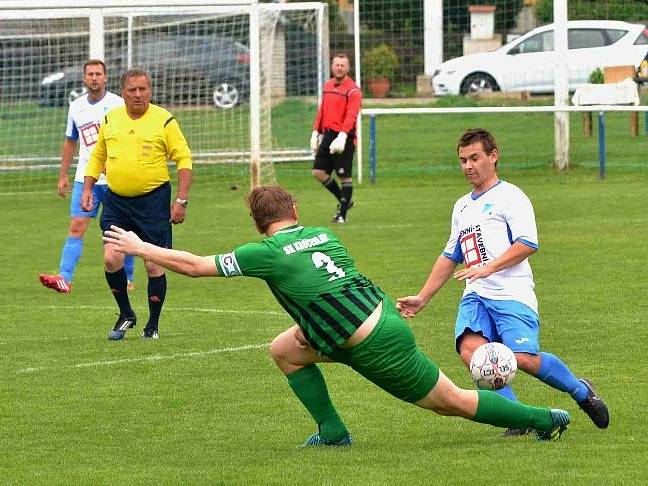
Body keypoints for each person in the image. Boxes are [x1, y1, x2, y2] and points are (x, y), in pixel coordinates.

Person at [103, 185, 571, 446]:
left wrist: (140, 246)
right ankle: (332, 431)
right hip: (373, 316)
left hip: (374, 342)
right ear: (295, 210)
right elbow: (324, 287)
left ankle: (543, 418)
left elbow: (195, 266)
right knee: (284, 350)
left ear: (258, 223)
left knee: (451, 402)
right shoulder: (323, 235)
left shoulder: (265, 251)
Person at [397, 128, 609, 436]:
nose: (468, 166)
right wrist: (424, 296)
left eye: (475, 158)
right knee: (473, 354)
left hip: (512, 293)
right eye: (462, 160)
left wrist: (488, 268)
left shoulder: (511, 196)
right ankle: (518, 419)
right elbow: (450, 255)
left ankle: (580, 391)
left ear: (493, 156)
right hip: (476, 295)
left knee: (521, 358)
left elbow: (527, 243)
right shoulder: (461, 206)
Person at [82, 68, 192, 341]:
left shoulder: (164, 120)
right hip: (116, 202)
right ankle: (126, 314)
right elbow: (98, 156)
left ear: (150, 91)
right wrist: (87, 187)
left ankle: (152, 326)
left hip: (153, 203)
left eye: (143, 89)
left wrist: (181, 200)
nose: (138, 94)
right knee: (110, 258)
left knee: (154, 263)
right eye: (132, 90)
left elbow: (184, 160)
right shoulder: (111, 118)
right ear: (123, 93)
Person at [39, 59, 135, 293]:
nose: (94, 77)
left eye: (98, 73)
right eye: (90, 73)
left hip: (115, 179)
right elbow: (71, 141)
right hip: (86, 179)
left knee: (120, 231)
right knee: (77, 225)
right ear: (84, 79)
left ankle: (129, 278)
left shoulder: (118, 105)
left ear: (105, 78)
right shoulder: (76, 107)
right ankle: (64, 277)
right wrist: (63, 176)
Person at [310, 53, 361, 224]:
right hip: (328, 134)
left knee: (344, 176)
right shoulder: (327, 86)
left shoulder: (353, 90)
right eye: (337, 65)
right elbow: (322, 110)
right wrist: (315, 132)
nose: (339, 68)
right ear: (332, 66)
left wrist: (343, 135)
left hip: (344, 136)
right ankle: (345, 200)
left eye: (343, 65)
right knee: (318, 172)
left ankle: (342, 214)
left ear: (348, 68)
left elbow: (351, 115)